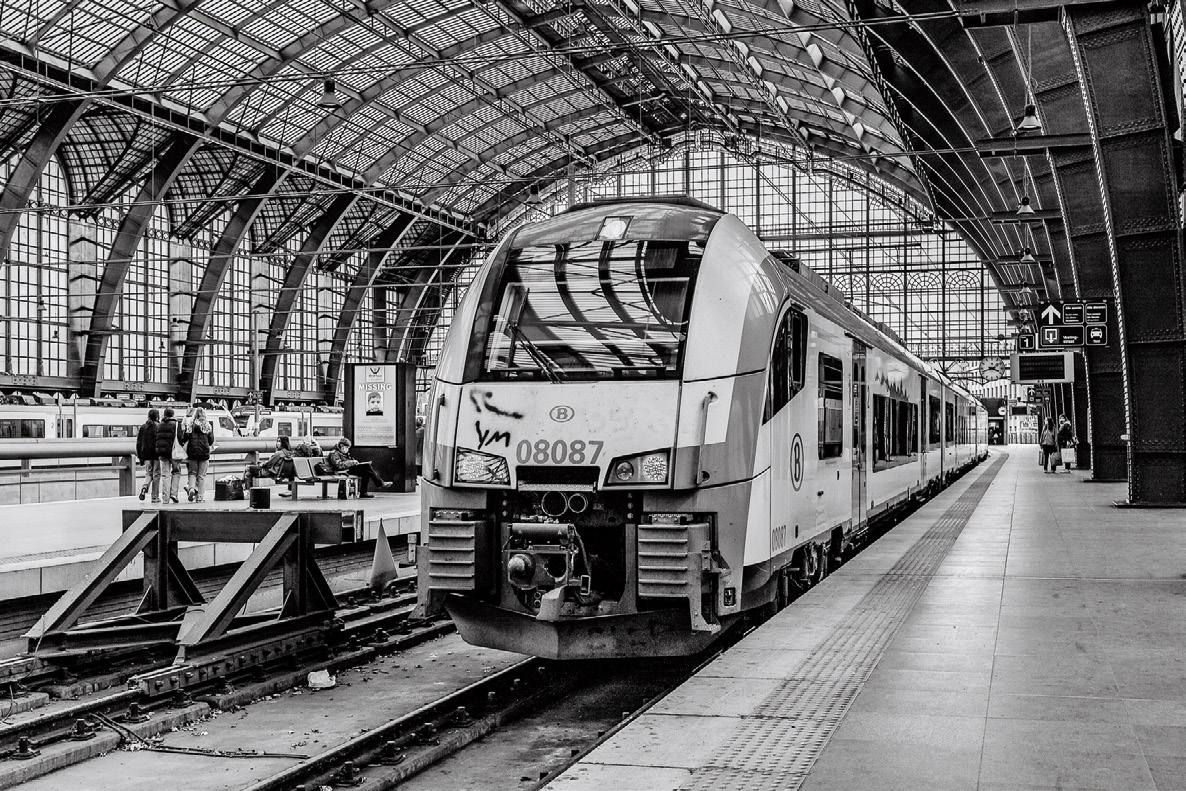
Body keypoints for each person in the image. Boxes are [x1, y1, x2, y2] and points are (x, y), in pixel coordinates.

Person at [182, 407, 215, 502]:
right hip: (204, 453)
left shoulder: (190, 424)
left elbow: (184, 438)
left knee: (192, 473)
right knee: (201, 476)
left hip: (192, 452)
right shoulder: (207, 425)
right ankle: (200, 497)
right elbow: (211, 441)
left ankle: (191, 489)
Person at [155, 407, 183, 503]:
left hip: (163, 453)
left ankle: (165, 498)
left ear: (164, 415)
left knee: (165, 475)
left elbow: (157, 439)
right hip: (174, 452)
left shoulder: (159, 425)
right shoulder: (176, 424)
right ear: (173, 415)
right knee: (176, 472)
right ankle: (174, 494)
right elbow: (180, 438)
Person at [136, 409, 161, 503]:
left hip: (146, 455)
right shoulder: (159, 426)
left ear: (148, 416)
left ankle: (145, 486)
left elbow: (139, 443)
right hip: (157, 455)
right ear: (157, 416)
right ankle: (154, 497)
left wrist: (140, 457)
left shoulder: (143, 427)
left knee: (148, 474)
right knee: (156, 475)